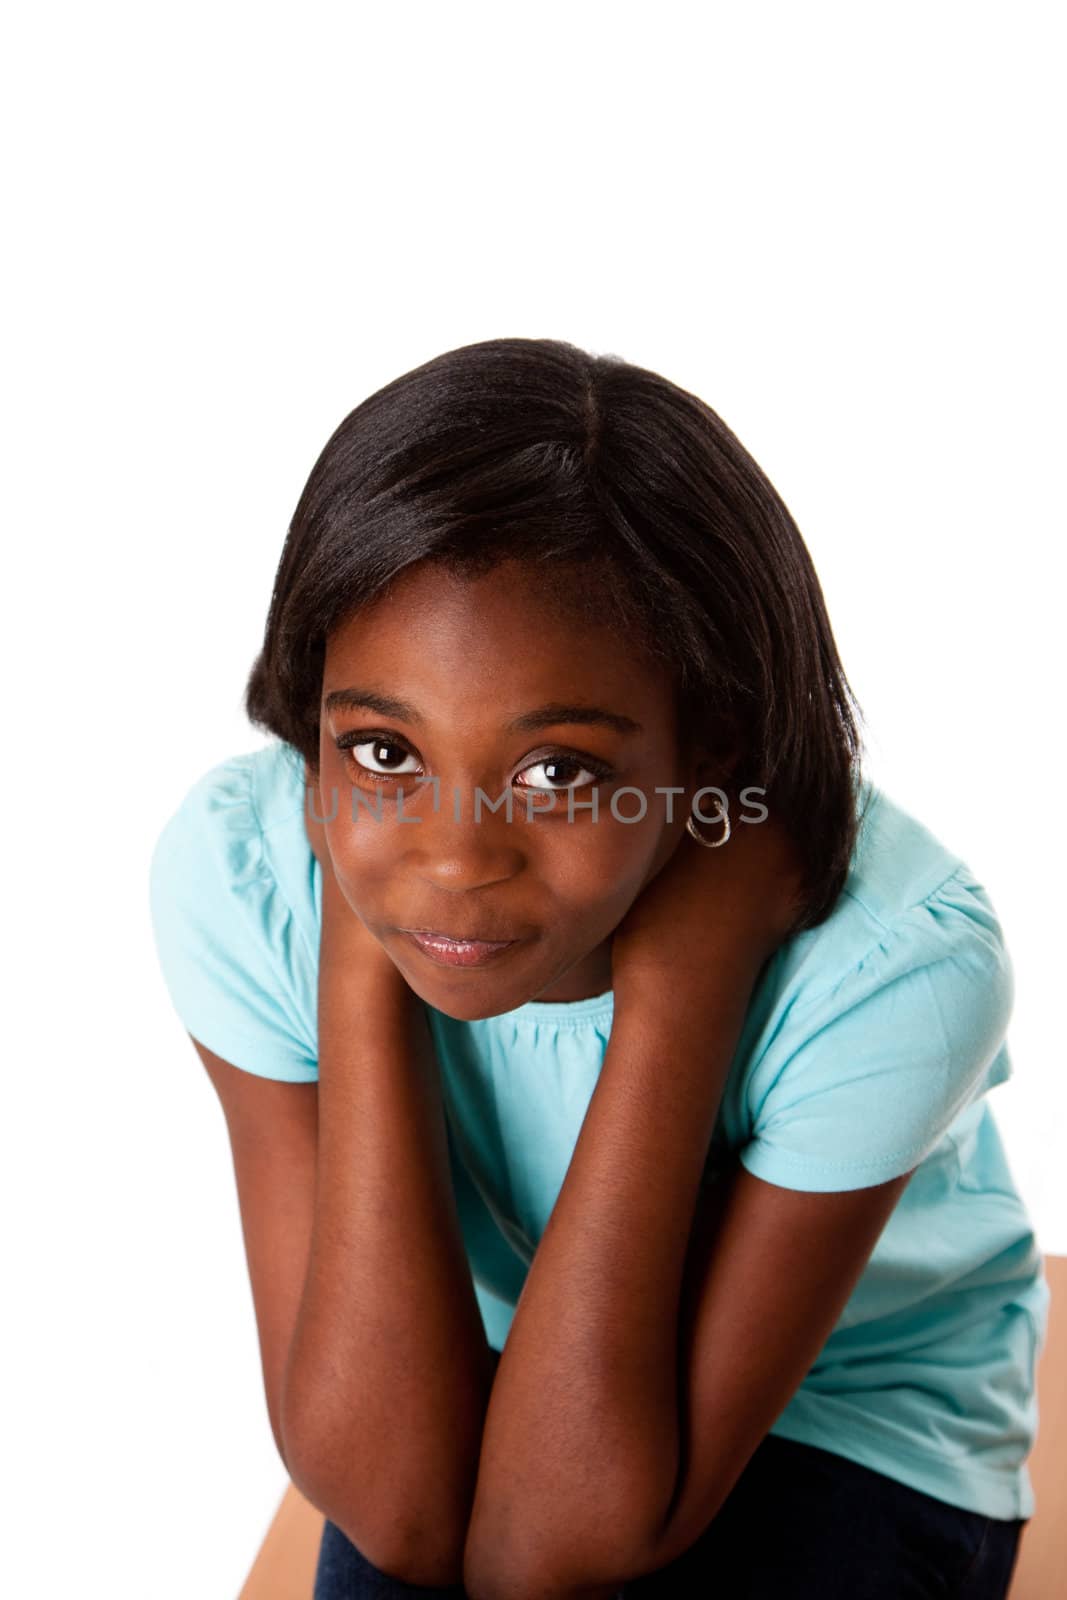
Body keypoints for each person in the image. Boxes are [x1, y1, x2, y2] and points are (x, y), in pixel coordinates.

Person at [148, 337, 1047, 1599]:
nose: (454, 862)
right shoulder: (248, 877)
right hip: (479, 1363)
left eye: (557, 770)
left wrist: (687, 976)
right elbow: (396, 1505)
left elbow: (552, 1548)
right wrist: (357, 954)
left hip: (851, 1412)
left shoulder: (890, 968)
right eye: (383, 754)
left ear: (710, 747)